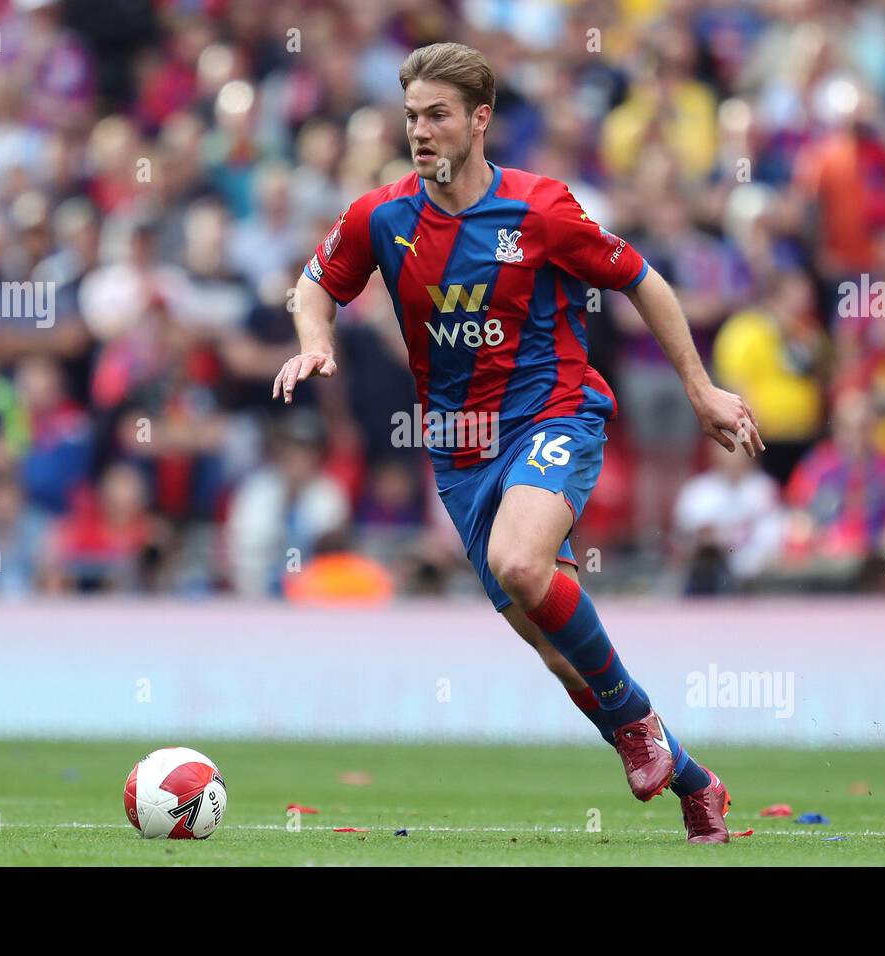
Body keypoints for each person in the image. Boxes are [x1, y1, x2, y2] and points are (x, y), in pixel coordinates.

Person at [272, 43, 764, 845]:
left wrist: (700, 387)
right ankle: (697, 782)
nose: (421, 132)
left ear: (479, 119)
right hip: (459, 454)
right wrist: (314, 339)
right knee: (563, 660)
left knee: (520, 564)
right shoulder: (381, 217)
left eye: (437, 116)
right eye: (411, 118)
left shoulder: (539, 210)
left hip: (552, 416)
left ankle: (639, 725)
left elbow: (642, 277)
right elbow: (316, 284)